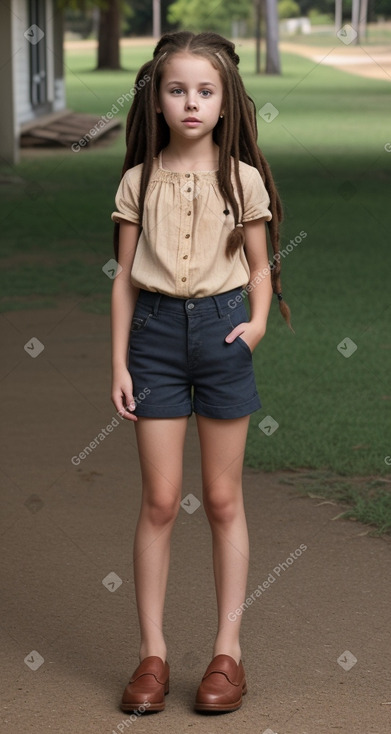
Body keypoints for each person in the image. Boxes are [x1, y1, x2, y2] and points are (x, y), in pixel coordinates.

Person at [110, 30, 291, 715]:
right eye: (177, 89)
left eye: (205, 91)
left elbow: (257, 265)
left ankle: (227, 652)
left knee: (221, 501)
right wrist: (119, 361)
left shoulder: (240, 178)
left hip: (220, 335)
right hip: (154, 338)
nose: (191, 102)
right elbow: (124, 279)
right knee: (159, 501)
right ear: (156, 99)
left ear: (226, 100)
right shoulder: (137, 179)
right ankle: (151, 655)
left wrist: (258, 320)